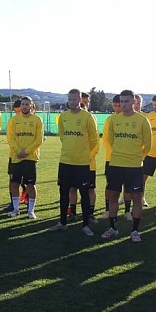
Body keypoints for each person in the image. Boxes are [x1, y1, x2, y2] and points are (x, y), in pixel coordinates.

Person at [102, 90, 151, 242]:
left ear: (134, 102)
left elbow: (148, 145)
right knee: (113, 196)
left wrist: (137, 156)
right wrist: (119, 153)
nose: (123, 104)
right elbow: (110, 140)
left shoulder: (142, 120)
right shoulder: (113, 120)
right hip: (116, 164)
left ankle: (135, 231)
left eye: (126, 101)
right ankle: (113, 228)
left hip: (134, 166)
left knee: (136, 197)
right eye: (121, 101)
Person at [50, 88, 97, 233]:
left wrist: (85, 155)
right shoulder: (63, 116)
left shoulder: (87, 117)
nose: (72, 102)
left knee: (84, 194)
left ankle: (85, 225)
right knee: (63, 193)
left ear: (80, 100)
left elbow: (94, 140)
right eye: (70, 99)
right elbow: (62, 135)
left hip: (82, 163)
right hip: (65, 161)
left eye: (74, 99)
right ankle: (63, 222)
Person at [6, 96, 44, 219]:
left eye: (27, 104)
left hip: (30, 157)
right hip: (16, 157)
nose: (24, 106)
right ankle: (16, 209)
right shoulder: (13, 120)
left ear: (31, 106)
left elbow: (38, 140)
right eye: (23, 104)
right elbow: (10, 138)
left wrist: (26, 151)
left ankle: (31, 211)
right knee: (14, 183)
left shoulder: (37, 120)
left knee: (30, 185)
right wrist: (18, 151)